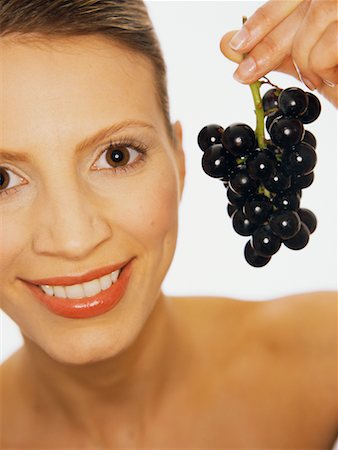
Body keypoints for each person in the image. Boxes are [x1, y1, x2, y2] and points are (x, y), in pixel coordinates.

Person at [0, 0, 337, 448]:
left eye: (116, 156)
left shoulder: (325, 356)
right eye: (2, 179)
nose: (74, 239)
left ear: (180, 162)